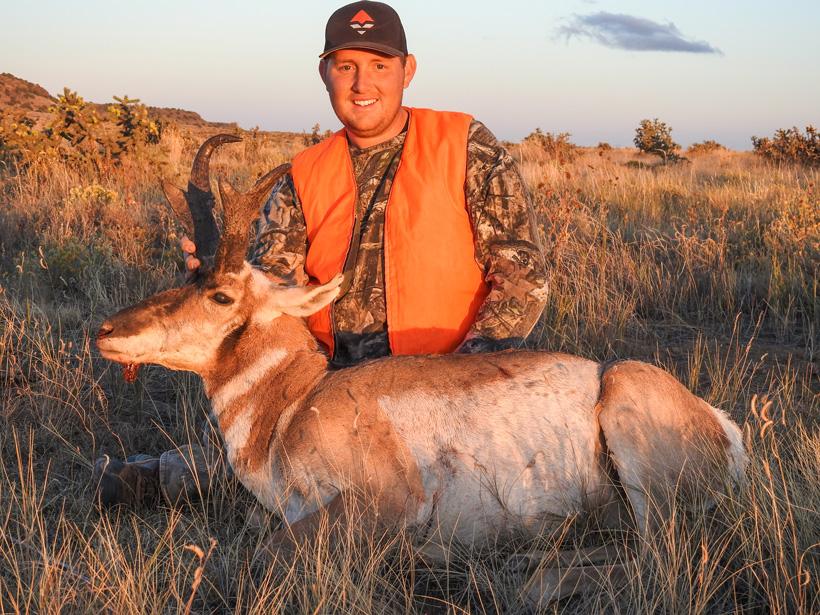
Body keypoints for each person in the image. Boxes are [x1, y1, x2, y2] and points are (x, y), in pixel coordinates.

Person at [93, 0, 548, 508]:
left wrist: (466, 377)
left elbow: (523, 276)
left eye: (380, 66)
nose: (362, 83)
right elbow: (271, 282)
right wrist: (222, 278)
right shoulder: (304, 173)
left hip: (450, 383)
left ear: (408, 71)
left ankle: (177, 475)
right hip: (335, 387)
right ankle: (174, 475)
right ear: (325, 73)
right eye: (346, 66)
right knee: (276, 457)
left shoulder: (465, 145)